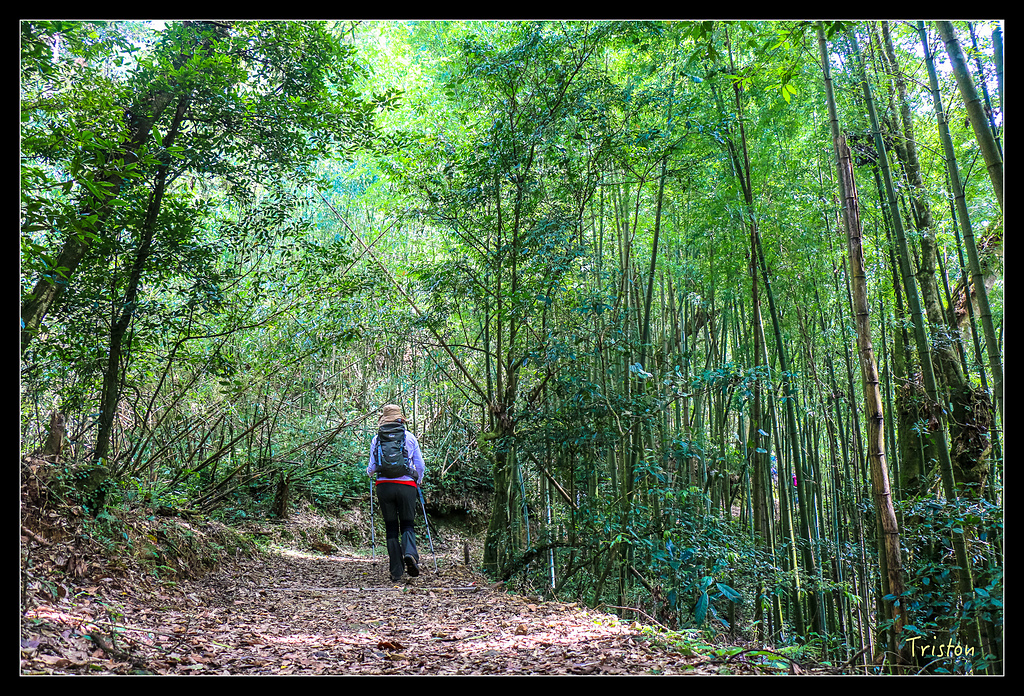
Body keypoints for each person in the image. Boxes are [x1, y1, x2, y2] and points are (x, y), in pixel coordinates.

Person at [366, 404, 425, 581]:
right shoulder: (410, 437)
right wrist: (418, 480)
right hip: (407, 486)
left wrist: (371, 474)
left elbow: (371, 468)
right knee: (407, 523)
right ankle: (410, 554)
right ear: (400, 419)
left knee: (391, 527)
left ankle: (396, 571)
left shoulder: (377, 439)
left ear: (383, 420)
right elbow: (420, 465)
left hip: (384, 486)